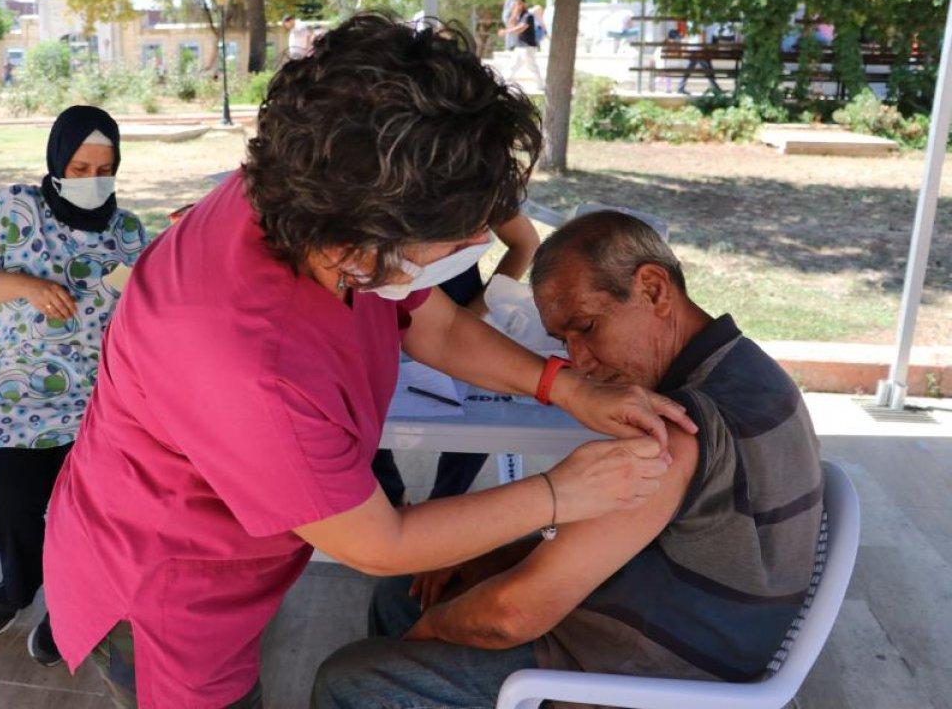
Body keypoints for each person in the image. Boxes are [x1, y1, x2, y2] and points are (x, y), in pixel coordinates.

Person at [42, 14, 695, 709]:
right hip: (160, 584)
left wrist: (565, 389)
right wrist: (562, 492)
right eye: (458, 237)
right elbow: (380, 543)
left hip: (221, 544)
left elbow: (436, 326)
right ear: (361, 242)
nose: (480, 241)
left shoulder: (312, 202)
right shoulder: (249, 360)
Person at [313, 211, 824, 709]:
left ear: (653, 289)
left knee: (353, 679)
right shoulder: (750, 368)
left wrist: (428, 633)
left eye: (587, 327)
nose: (579, 362)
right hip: (697, 632)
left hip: (654, 675)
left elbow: (512, 615)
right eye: (564, 341)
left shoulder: (674, 431)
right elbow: (608, 541)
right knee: (405, 593)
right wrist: (482, 561)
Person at [0, 105, 148, 668]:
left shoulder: (128, 232)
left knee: (101, 504)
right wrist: (26, 286)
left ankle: (70, 611)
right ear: (58, 162)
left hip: (96, 400)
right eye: (80, 169)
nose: (92, 181)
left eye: (104, 170)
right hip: (15, 394)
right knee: (5, 495)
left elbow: (147, 309)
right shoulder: (17, 210)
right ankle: (19, 583)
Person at [371, 213, 541, 505]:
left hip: (459, 315)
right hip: (382, 325)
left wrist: (474, 312)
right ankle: (393, 497)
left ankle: (443, 502)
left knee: (480, 418)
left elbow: (525, 242)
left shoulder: (479, 189)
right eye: (464, 236)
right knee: (367, 417)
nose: (479, 239)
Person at [499, 0, 542, 85]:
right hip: (519, 46)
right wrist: (514, 14)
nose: (517, 6)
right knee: (512, 66)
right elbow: (511, 26)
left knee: (532, 67)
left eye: (519, 4)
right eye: (516, 4)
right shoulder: (519, 16)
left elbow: (521, 28)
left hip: (527, 46)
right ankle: (504, 83)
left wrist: (505, 32)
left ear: (524, 4)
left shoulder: (528, 16)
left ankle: (541, 85)